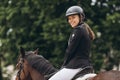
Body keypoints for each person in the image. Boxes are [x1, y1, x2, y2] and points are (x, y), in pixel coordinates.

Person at [49, 5, 95, 80]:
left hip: (76, 65)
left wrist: (64, 65)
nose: (71, 20)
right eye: (69, 19)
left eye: (73, 17)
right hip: (86, 65)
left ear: (81, 17)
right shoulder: (84, 29)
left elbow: (70, 51)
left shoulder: (78, 30)